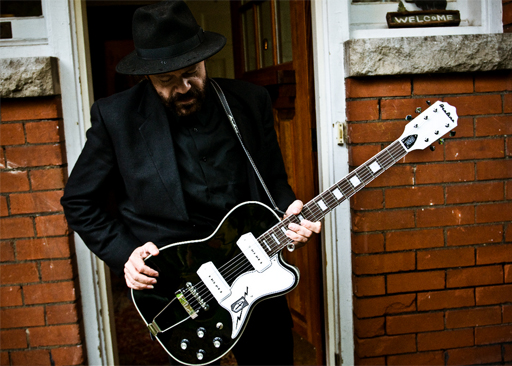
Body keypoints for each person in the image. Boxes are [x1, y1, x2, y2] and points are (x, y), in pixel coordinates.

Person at [60, 1, 320, 365]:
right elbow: (78, 202)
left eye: (192, 72)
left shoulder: (249, 101)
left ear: (204, 59)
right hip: (179, 285)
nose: (184, 87)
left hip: (253, 266)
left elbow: (273, 179)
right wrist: (127, 254)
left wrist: (287, 209)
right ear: (146, 76)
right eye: (167, 80)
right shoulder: (116, 117)